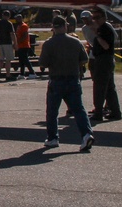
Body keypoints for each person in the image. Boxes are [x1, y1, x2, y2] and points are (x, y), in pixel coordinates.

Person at [38, 16, 94, 152]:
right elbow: (84, 59)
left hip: (56, 79)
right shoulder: (75, 42)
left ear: (53, 27)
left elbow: (43, 63)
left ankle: (53, 138)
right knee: (79, 109)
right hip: (73, 79)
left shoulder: (49, 43)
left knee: (52, 111)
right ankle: (86, 134)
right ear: (65, 26)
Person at [87, 9, 122, 122]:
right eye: (93, 17)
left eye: (97, 17)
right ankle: (115, 112)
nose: (95, 20)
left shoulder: (105, 29)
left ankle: (98, 113)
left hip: (104, 60)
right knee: (109, 88)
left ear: (103, 18)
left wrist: (97, 35)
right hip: (103, 59)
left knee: (100, 88)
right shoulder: (102, 28)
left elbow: (106, 46)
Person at [0, 10, 17, 81]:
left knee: (1, 59)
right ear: (9, 16)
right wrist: (15, 43)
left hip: (0, 43)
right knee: (8, 60)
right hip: (7, 43)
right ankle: (8, 75)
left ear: (2, 15)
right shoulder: (9, 23)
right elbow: (12, 34)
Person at [14, 14, 36, 79]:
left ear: (21, 19)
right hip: (20, 46)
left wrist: (18, 42)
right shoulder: (18, 26)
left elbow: (25, 36)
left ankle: (32, 72)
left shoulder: (24, 26)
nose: (16, 20)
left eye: (17, 19)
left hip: (24, 45)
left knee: (25, 60)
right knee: (21, 60)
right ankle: (22, 73)